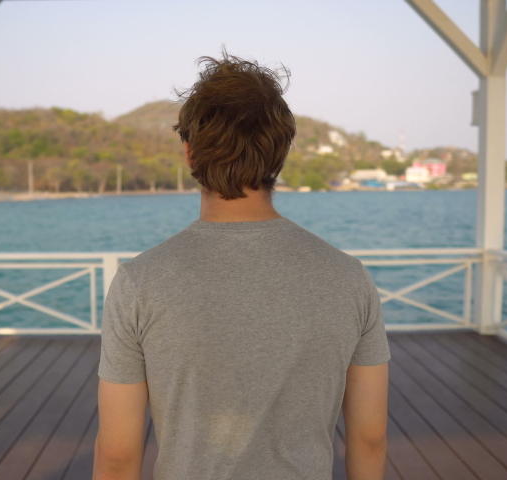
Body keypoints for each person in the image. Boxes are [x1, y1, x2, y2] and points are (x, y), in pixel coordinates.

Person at [93, 51, 390, 480]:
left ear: (189, 153)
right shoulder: (349, 278)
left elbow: (118, 455)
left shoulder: (139, 282)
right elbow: (369, 438)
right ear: (280, 154)